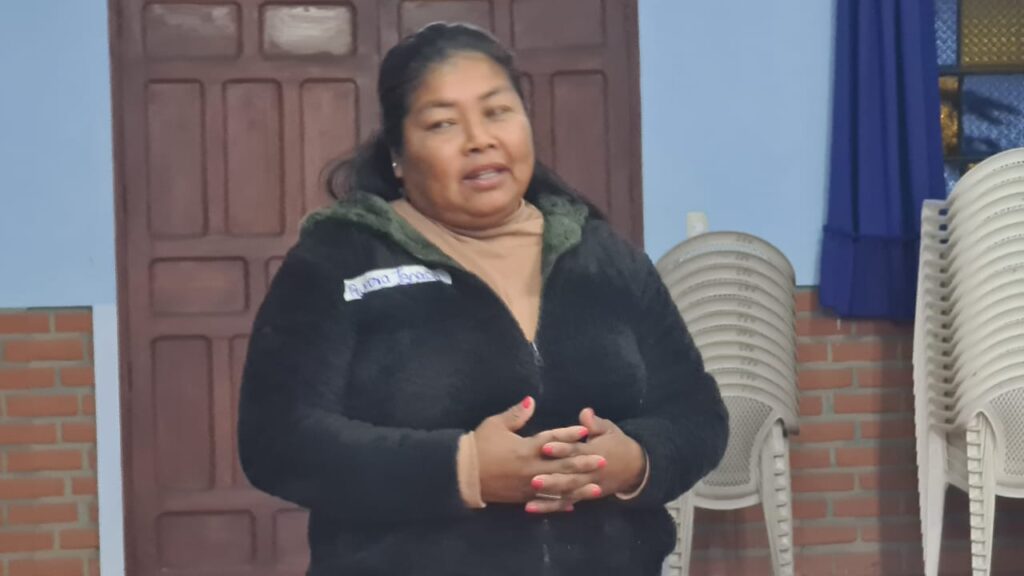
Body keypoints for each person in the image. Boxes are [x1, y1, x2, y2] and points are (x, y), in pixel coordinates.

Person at [238, 22, 728, 576]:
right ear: (397, 154)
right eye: (443, 123)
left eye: (498, 112)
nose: (479, 139)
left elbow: (698, 414)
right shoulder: (340, 259)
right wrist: (462, 469)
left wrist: (635, 460)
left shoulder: (604, 257)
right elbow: (277, 439)